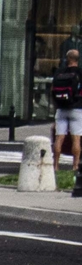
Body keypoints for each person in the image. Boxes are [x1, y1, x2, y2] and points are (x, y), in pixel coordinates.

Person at [54, 46, 82, 190]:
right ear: (77, 59)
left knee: (59, 137)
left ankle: (56, 165)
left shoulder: (60, 72)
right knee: (76, 138)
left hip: (61, 108)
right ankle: (75, 165)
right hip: (77, 108)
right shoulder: (80, 73)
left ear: (68, 59)